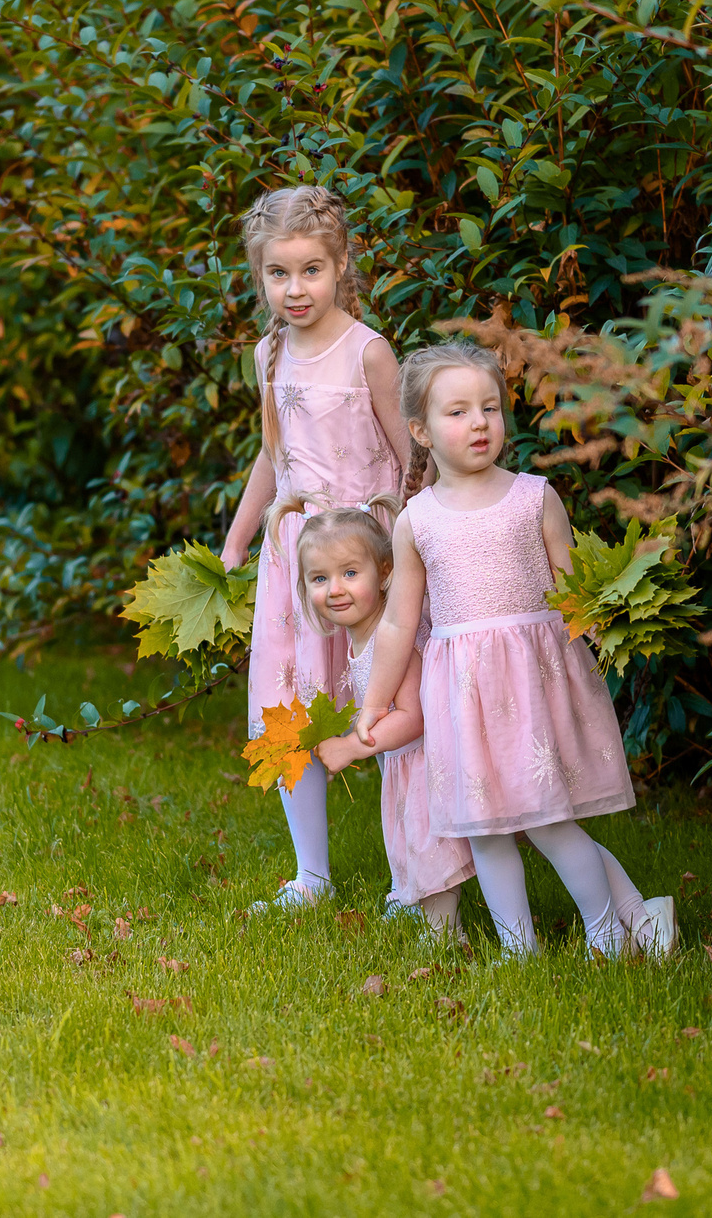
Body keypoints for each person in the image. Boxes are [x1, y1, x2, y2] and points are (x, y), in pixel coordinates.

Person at [355, 341, 678, 958]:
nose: (479, 422)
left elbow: (573, 586)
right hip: (462, 696)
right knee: (486, 834)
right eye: (457, 412)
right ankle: (517, 949)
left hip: (533, 685)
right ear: (419, 429)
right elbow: (399, 624)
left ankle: (609, 934)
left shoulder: (535, 497)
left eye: (489, 408)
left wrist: (615, 621)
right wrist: (374, 703)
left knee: (550, 822)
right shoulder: (417, 520)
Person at [217, 187, 408, 914]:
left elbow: (407, 460)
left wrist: (406, 553)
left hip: (364, 554)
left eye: (311, 271)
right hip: (295, 559)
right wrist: (238, 539)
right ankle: (312, 874)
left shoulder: (368, 353)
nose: (295, 290)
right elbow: (273, 454)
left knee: (387, 708)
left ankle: (415, 874)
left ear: (341, 265)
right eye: (278, 273)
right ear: (258, 274)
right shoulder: (269, 351)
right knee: (289, 709)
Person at [274, 501, 475, 940]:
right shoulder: (364, 631)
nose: (335, 589)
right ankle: (420, 909)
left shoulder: (391, 636)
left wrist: (352, 746)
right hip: (408, 763)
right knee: (414, 844)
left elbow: (413, 718)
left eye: (350, 573)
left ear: (385, 572)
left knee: (430, 846)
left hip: (428, 762)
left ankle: (444, 935)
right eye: (319, 578)